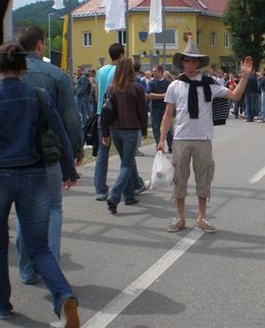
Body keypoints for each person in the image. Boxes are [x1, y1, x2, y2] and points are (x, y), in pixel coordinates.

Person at [0, 42, 79, 326]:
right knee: (39, 246)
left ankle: (1, 303)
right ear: (22, 67)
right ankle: (63, 295)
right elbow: (61, 133)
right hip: (34, 176)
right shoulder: (38, 96)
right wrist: (68, 170)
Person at [157, 40, 253, 233]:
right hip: (181, 139)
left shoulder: (210, 84)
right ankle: (180, 217)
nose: (191, 64)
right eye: (187, 60)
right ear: (182, 63)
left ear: (199, 63)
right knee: (180, 180)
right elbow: (168, 114)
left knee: (204, 179)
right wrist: (161, 139)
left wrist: (244, 76)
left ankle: (202, 218)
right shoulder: (175, 85)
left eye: (194, 61)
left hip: (203, 139)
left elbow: (234, 96)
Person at [15, 25, 83, 285]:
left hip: (17, 156)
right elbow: (69, 117)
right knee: (53, 209)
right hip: (49, 153)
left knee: (24, 211)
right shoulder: (55, 74)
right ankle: (50, 268)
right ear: (41, 45)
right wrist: (75, 150)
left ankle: (27, 269)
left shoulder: (3, 77)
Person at [101, 57, 149, 214]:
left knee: (126, 162)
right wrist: (144, 130)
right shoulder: (137, 88)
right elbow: (142, 112)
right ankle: (115, 196)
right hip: (131, 129)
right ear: (131, 69)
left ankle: (129, 196)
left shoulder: (111, 88)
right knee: (127, 164)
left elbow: (105, 112)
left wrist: (105, 132)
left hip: (115, 129)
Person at [94, 43, 125, 201]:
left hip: (101, 112)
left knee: (102, 152)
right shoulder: (119, 70)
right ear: (121, 55)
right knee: (125, 151)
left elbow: (96, 92)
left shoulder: (100, 71)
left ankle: (100, 188)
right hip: (116, 115)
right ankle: (130, 186)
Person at [147, 64, 173, 152]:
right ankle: (159, 146)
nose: (153, 73)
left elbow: (171, 95)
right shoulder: (151, 83)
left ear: (161, 72)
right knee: (156, 128)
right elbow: (150, 95)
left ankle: (171, 146)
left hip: (165, 108)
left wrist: (162, 96)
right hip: (155, 108)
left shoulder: (167, 83)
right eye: (153, 71)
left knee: (168, 128)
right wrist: (163, 96)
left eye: (155, 71)